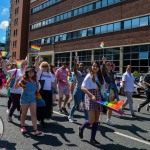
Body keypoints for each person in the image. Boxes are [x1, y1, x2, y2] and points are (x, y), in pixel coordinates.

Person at [78, 61, 103, 145]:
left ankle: (92, 139)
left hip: (98, 96)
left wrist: (105, 87)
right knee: (91, 120)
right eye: (93, 66)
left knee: (96, 120)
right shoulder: (89, 76)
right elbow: (82, 87)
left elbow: (103, 87)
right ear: (91, 67)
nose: (95, 67)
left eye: (96, 66)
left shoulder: (100, 76)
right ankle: (81, 127)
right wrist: (91, 95)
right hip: (90, 96)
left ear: (99, 68)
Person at [15, 67, 42, 136]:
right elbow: (16, 87)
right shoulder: (24, 80)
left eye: (32, 72)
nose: (31, 73)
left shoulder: (35, 80)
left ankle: (35, 130)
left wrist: (38, 86)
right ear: (27, 73)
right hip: (25, 99)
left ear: (34, 73)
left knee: (33, 114)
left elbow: (37, 90)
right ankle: (22, 126)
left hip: (33, 99)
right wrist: (17, 81)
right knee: (24, 114)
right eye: (29, 72)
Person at [35, 56, 56, 127]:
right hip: (41, 91)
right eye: (43, 66)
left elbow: (53, 82)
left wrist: (56, 90)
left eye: (46, 66)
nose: (44, 67)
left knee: (47, 105)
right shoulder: (40, 72)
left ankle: (43, 118)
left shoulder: (50, 74)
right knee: (41, 105)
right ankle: (41, 119)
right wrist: (36, 61)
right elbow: (37, 67)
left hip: (48, 91)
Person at [101, 57, 119, 125]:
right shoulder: (104, 73)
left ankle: (108, 119)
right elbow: (102, 70)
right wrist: (104, 62)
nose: (110, 66)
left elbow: (115, 79)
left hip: (113, 91)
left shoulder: (113, 73)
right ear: (106, 66)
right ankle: (101, 115)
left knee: (111, 105)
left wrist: (116, 82)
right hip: (106, 91)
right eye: (109, 65)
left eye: (111, 65)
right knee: (105, 105)